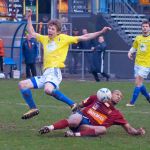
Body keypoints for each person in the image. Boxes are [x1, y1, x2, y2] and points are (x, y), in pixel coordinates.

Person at [18, 9, 111, 120]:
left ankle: (73, 104)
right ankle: (33, 108)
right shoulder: (44, 39)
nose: (50, 30)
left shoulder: (64, 39)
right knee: (22, 85)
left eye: (53, 29)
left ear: (58, 32)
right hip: (46, 74)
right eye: (49, 28)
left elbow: (85, 37)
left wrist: (101, 32)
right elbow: (32, 32)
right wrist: (29, 18)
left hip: (55, 71)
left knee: (48, 89)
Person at [39, 90, 145, 137]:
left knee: (103, 129)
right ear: (109, 94)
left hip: (87, 127)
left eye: (121, 97)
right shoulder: (96, 97)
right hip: (80, 117)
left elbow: (129, 129)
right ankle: (49, 127)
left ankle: (73, 135)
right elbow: (79, 105)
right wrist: (75, 110)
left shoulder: (116, 114)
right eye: (117, 94)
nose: (119, 97)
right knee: (75, 120)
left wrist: (138, 132)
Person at [126, 20, 150, 107]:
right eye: (143, 26)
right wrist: (129, 52)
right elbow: (134, 47)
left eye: (146, 26)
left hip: (146, 65)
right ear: (141, 28)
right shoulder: (138, 38)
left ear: (149, 28)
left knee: (138, 82)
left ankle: (132, 102)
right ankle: (148, 97)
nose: (145, 28)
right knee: (139, 83)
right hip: (137, 64)